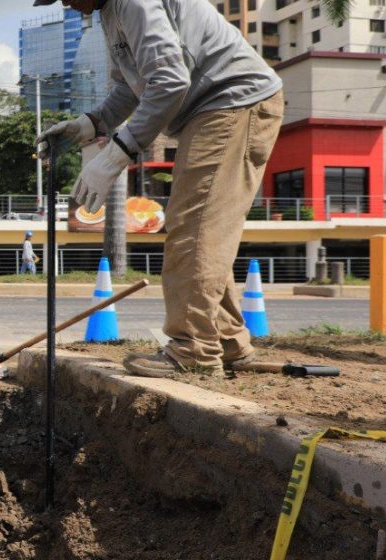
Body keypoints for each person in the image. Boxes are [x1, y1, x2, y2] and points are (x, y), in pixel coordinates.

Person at [35, 0, 283, 377]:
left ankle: (194, 349)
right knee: (201, 230)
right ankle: (226, 340)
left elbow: (170, 80)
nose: (66, 3)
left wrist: (116, 154)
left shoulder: (134, 2)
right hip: (213, 108)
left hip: (233, 101)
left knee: (193, 228)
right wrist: (91, 123)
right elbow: (132, 87)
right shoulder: (109, 13)